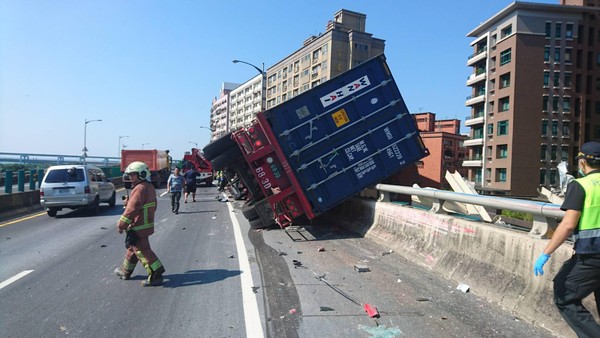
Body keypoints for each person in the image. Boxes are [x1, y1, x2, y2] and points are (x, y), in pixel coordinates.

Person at [534, 141, 600, 337]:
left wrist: (546, 253)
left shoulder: (580, 185)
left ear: (582, 163)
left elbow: (568, 224)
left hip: (591, 254)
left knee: (564, 295)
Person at [114, 161, 165, 287]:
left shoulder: (139, 188)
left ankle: (156, 274)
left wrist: (122, 224)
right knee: (133, 249)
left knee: (142, 250)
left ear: (141, 174)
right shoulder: (149, 187)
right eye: (130, 174)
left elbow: (133, 208)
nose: (130, 177)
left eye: (133, 174)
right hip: (145, 224)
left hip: (138, 226)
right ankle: (125, 271)